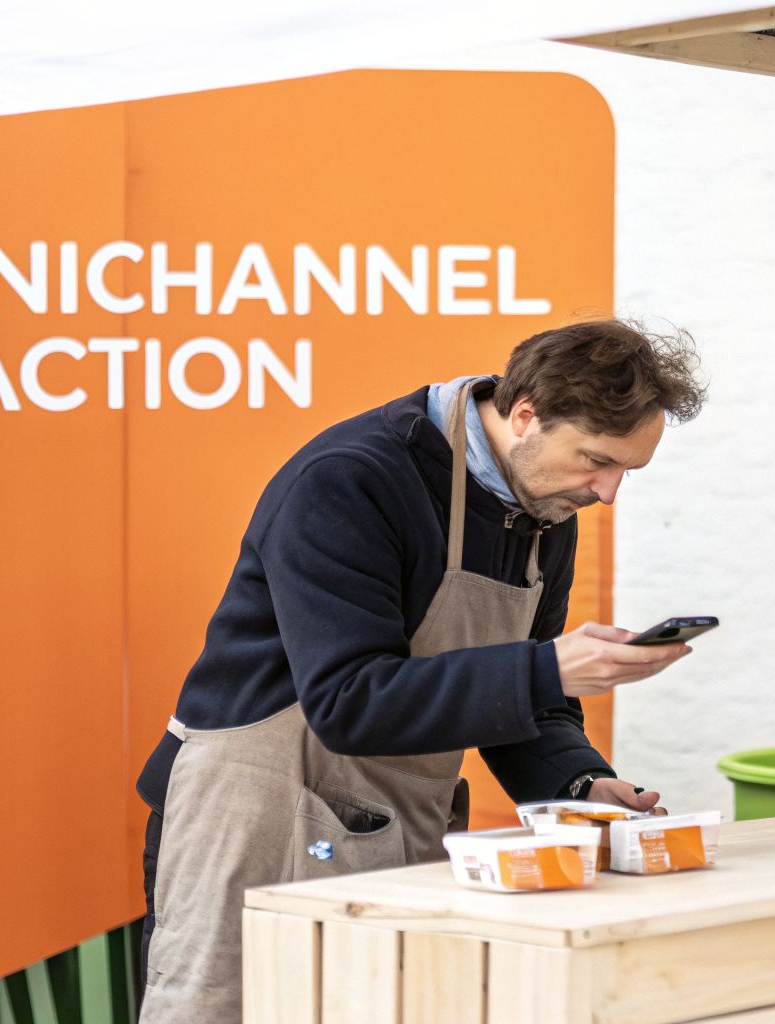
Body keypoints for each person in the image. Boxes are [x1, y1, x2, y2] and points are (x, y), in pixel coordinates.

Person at [135, 318, 707, 1022]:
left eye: (626, 470)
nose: (609, 492)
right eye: (597, 460)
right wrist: (549, 670)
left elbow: (523, 701)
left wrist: (582, 783)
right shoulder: (352, 480)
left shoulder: (547, 512)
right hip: (251, 821)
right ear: (525, 413)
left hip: (393, 827)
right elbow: (349, 700)